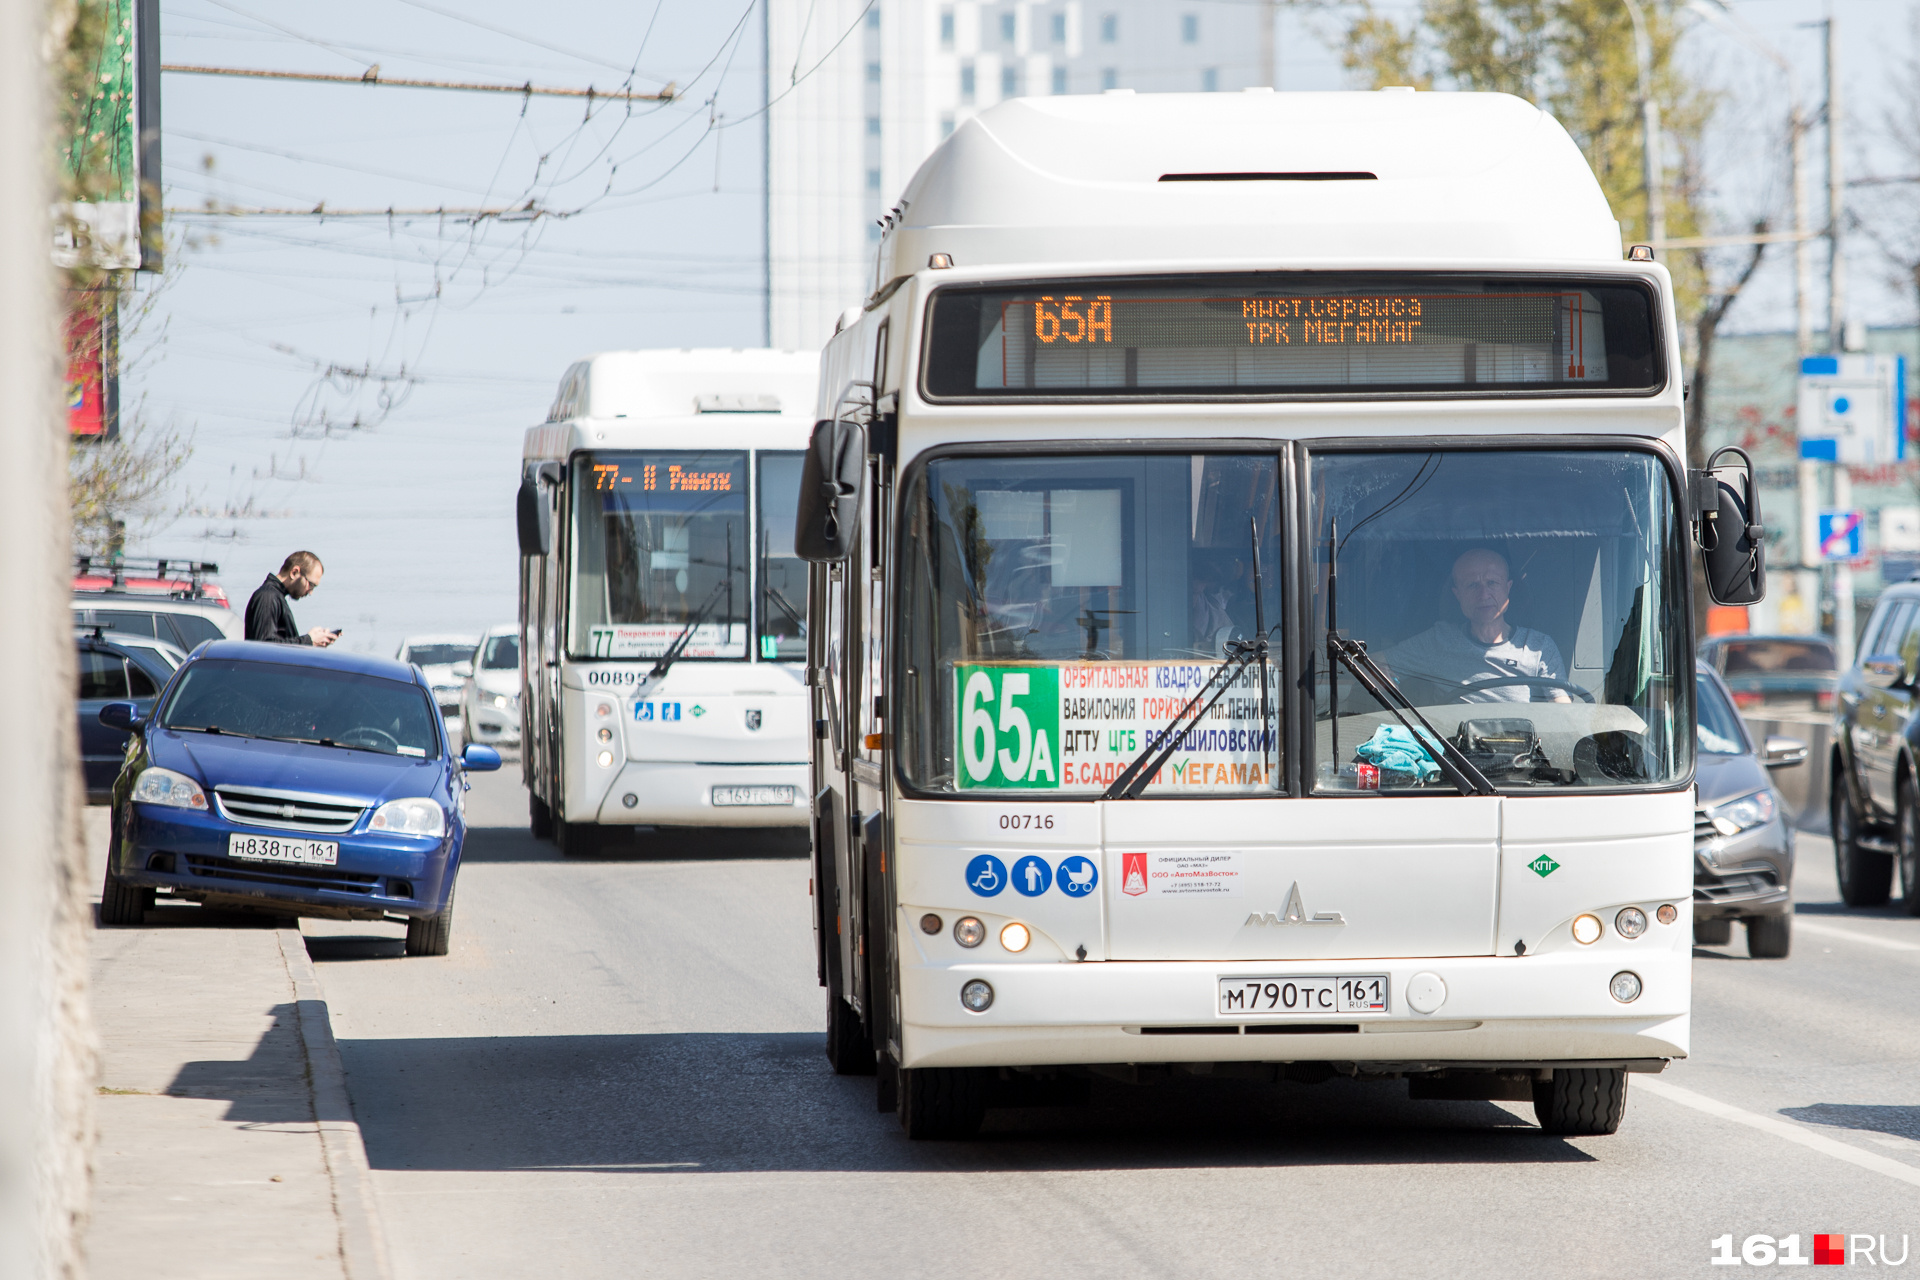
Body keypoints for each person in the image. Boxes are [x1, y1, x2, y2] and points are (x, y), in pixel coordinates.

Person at [1378, 547, 1569, 703]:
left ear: (1508, 588)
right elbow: (1370, 664)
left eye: (1492, 583)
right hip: (1453, 749)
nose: (1483, 595)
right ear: (1457, 594)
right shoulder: (1440, 640)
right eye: (1472, 585)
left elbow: (1561, 710)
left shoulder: (1538, 646)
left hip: (1522, 748)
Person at [246, 551, 338, 646]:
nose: (310, 592)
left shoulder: (275, 597)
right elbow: (264, 647)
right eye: (310, 585)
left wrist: (314, 642)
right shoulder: (268, 597)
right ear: (294, 572)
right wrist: (308, 641)